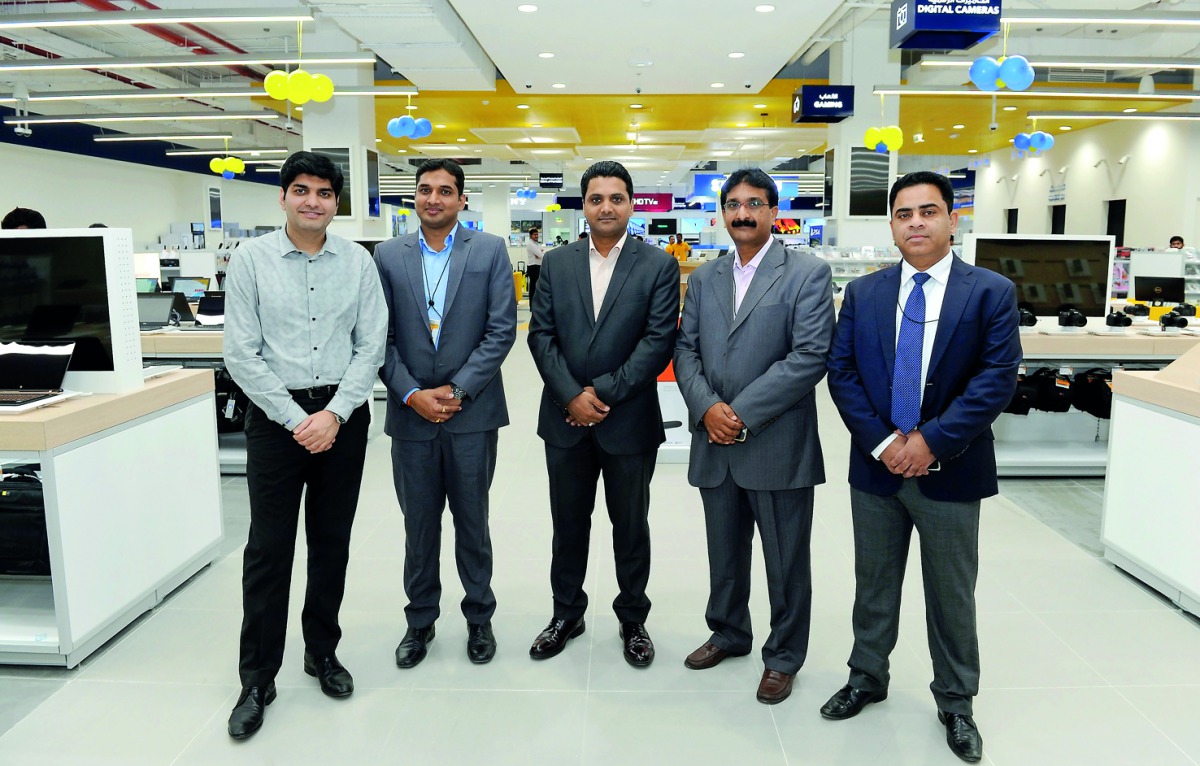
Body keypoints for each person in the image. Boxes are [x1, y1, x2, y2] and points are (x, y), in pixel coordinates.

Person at [823, 171, 1020, 763]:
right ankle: (867, 676)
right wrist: (886, 443)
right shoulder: (865, 294)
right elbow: (843, 373)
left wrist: (930, 441)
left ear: (952, 220)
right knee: (874, 583)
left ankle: (956, 701)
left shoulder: (989, 292)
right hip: (877, 468)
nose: (916, 223)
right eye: (904, 214)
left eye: (928, 211)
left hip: (951, 471)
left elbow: (995, 380)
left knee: (951, 592)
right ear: (891, 224)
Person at [222, 151, 387, 740]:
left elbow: (372, 344)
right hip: (276, 418)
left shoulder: (358, 264)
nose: (312, 200)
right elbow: (240, 353)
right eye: (301, 190)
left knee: (331, 541)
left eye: (323, 192)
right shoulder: (251, 259)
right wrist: (299, 420)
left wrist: (334, 414)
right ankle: (257, 677)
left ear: (336, 202)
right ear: (283, 197)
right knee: (269, 549)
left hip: (343, 419)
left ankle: (322, 650)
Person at [674, 168, 834, 704]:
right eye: (734, 204)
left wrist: (738, 413)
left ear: (772, 211)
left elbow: (810, 355)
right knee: (725, 551)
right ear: (723, 213)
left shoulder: (806, 273)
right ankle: (728, 631)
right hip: (713, 442)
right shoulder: (704, 277)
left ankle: (784, 655)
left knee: (786, 561)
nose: (743, 213)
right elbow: (686, 350)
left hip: (776, 443)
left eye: (755, 204)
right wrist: (707, 407)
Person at [527, 160, 679, 667]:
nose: (606, 206)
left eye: (616, 197)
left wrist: (602, 395)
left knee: (630, 525)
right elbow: (541, 335)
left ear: (631, 204)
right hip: (564, 419)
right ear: (584, 205)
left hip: (629, 420)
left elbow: (658, 342)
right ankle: (566, 613)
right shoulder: (556, 263)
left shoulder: (657, 265)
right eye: (596, 198)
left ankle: (633, 618)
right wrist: (571, 395)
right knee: (567, 523)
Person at [374, 159, 517, 669]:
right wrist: (413, 393)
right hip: (410, 416)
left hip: (472, 414)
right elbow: (377, 337)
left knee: (472, 522)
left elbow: (501, 330)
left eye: (446, 191)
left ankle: (480, 617)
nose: (434, 198)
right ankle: (420, 621)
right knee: (419, 525)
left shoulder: (491, 250)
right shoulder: (388, 255)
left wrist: (456, 390)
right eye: (425, 190)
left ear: (462, 201)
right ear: (414, 196)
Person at [525, 226, 546, 301]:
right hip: (533, 267)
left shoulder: (536, 244)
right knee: (533, 287)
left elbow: (541, 254)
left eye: (537, 234)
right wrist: (540, 254)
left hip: (538, 266)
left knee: (537, 286)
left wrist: (540, 254)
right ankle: (532, 305)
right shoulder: (530, 244)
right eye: (535, 234)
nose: (536, 236)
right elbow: (541, 255)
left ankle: (536, 304)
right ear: (531, 236)